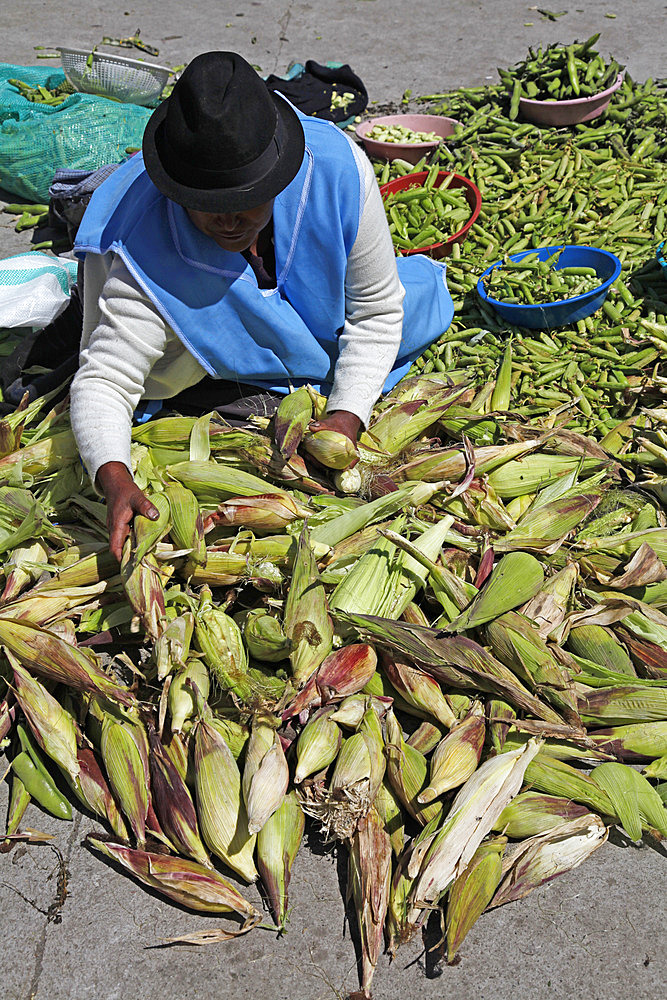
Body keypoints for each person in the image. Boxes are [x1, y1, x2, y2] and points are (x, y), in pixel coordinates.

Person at [70, 51, 454, 560]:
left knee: (418, 302)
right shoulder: (144, 250)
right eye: (208, 204)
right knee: (169, 373)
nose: (229, 221)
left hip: (320, 306)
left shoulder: (337, 173)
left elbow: (377, 311)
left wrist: (346, 415)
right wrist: (113, 475)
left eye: (247, 198)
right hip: (180, 326)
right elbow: (105, 380)